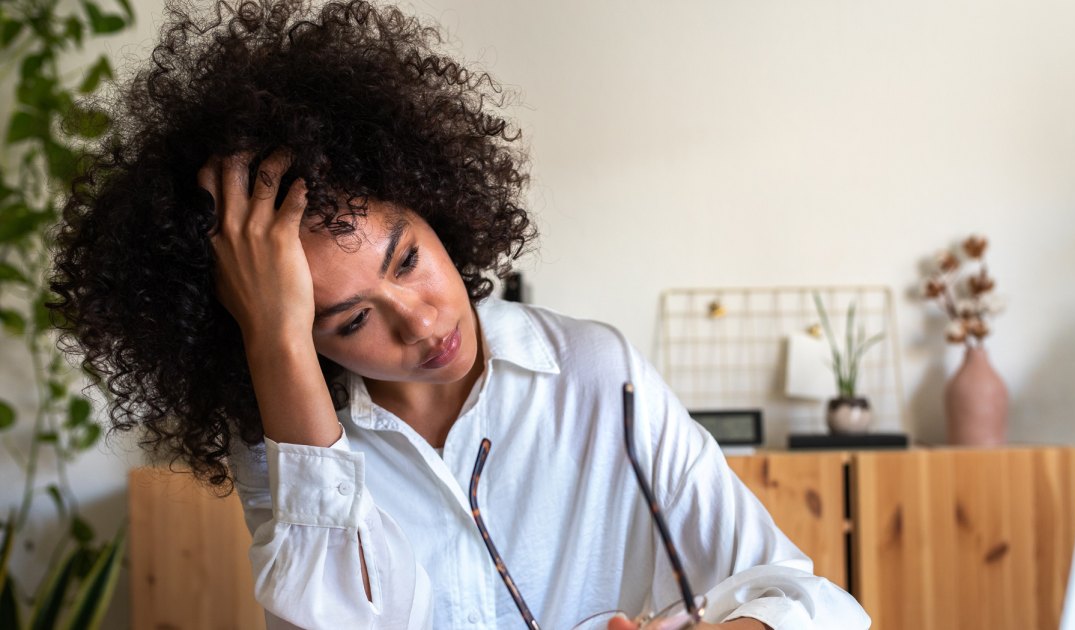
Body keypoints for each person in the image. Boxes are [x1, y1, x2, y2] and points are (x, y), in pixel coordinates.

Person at [49, 0, 871, 628]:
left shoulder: (595, 375)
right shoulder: (288, 439)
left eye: (407, 259)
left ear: (435, 202)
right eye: (347, 321)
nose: (418, 323)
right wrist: (273, 339)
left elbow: (812, 600)